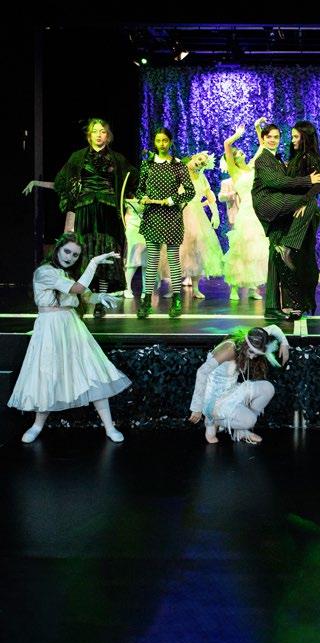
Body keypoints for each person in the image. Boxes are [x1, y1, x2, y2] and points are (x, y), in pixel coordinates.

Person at [7, 233, 131, 443]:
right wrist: (93, 263)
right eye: (67, 251)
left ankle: (109, 427)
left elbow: (85, 295)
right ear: (57, 250)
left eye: (75, 255)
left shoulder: (68, 274)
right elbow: (78, 289)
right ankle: (37, 425)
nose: (70, 257)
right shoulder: (44, 272)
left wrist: (100, 296)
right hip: (49, 327)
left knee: (92, 370)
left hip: (72, 325)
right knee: (47, 374)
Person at [54, 118, 138, 318]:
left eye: (102, 131)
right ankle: (81, 300)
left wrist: (127, 196)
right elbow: (61, 180)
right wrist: (71, 198)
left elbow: (134, 178)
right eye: (95, 131)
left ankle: (100, 301)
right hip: (86, 210)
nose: (99, 135)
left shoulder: (117, 159)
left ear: (107, 136)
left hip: (108, 211)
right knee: (85, 253)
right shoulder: (77, 157)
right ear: (89, 135)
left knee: (105, 253)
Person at [251, 122, 320, 320]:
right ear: (262, 139)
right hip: (269, 203)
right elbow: (276, 182)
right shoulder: (263, 159)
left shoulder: (277, 159)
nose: (273, 140)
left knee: (275, 255)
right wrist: (307, 181)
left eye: (276, 137)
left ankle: (271, 306)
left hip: (277, 208)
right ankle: (289, 245)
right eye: (269, 137)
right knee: (310, 203)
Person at [189, 325, 290, 444]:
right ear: (246, 344)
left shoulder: (255, 336)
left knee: (268, 389)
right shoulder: (229, 350)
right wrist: (197, 408)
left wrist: (284, 343)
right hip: (214, 399)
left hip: (232, 390)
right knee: (250, 420)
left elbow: (273, 328)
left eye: (257, 354)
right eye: (251, 352)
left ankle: (241, 431)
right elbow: (202, 372)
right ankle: (212, 420)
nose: (252, 357)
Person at [135, 127, 195, 319]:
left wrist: (172, 200)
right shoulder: (147, 165)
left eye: (165, 140)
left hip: (171, 217)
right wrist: (143, 197)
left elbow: (190, 191)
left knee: (173, 259)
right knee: (152, 260)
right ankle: (146, 301)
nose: (162, 144)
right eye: (158, 140)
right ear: (154, 142)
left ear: (170, 142)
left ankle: (176, 299)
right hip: (152, 216)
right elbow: (139, 190)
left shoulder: (178, 165)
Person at [221, 125, 269, 301]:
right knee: (241, 249)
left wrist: (258, 128)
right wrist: (237, 135)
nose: (242, 153)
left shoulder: (251, 167)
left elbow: (262, 147)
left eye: (241, 152)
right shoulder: (234, 171)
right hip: (246, 212)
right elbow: (227, 145)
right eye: (238, 153)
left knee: (256, 250)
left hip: (258, 211)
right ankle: (234, 287)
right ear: (233, 159)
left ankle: (253, 287)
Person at [180, 151, 224, 300]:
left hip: (197, 215)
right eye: (199, 159)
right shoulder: (180, 171)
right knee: (176, 249)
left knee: (197, 250)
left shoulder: (202, 178)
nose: (200, 163)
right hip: (180, 213)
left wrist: (215, 213)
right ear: (193, 157)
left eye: (203, 163)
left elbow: (209, 195)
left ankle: (195, 288)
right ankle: (173, 289)